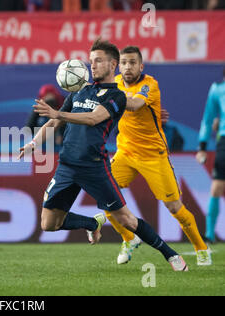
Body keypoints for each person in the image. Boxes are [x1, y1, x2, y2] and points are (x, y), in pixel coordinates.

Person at [21, 38, 188, 271]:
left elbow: (93, 119)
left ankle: (171, 255)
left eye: (98, 61)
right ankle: (91, 223)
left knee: (126, 219)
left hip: (94, 167)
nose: (93, 65)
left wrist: (58, 114)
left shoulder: (116, 96)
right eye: (91, 61)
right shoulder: (79, 91)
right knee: (48, 223)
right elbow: (52, 122)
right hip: (67, 166)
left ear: (113, 65)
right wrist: (34, 142)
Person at [102, 46, 210, 266]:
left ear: (141, 66)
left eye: (133, 62)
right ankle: (129, 238)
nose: (128, 66)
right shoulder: (115, 83)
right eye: (124, 62)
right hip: (125, 152)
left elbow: (135, 105)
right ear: (118, 65)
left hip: (153, 156)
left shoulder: (150, 85)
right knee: (105, 197)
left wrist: (113, 99)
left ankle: (201, 248)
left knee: (174, 207)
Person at [196, 68, 225, 243]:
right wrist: (202, 146)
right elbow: (207, 119)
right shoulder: (217, 89)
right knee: (217, 186)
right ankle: (209, 234)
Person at [26, 84, 65, 149]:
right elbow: (29, 127)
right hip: (43, 144)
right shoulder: (38, 108)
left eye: (51, 96)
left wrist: (61, 135)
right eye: (46, 96)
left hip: (62, 143)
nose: (49, 100)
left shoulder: (64, 104)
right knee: (42, 120)